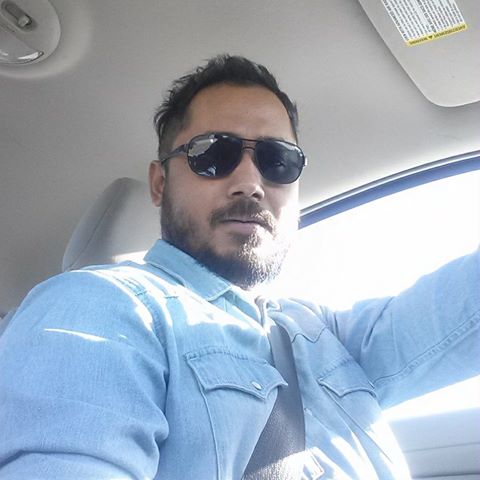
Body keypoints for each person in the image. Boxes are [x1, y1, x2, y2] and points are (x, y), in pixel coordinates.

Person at [0, 55, 478, 480]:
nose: (250, 182)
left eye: (278, 161)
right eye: (213, 154)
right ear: (160, 183)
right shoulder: (99, 306)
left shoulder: (325, 338)